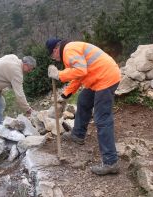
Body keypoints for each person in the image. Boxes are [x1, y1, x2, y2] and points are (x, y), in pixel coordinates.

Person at [45, 38, 121, 175]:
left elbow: (80, 71)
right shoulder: (70, 50)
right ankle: (78, 135)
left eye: (52, 55)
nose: (54, 59)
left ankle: (111, 162)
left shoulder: (68, 50)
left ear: (56, 49)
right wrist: (65, 95)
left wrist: (59, 74)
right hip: (98, 78)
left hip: (106, 79)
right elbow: (78, 77)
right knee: (83, 100)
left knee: (102, 119)